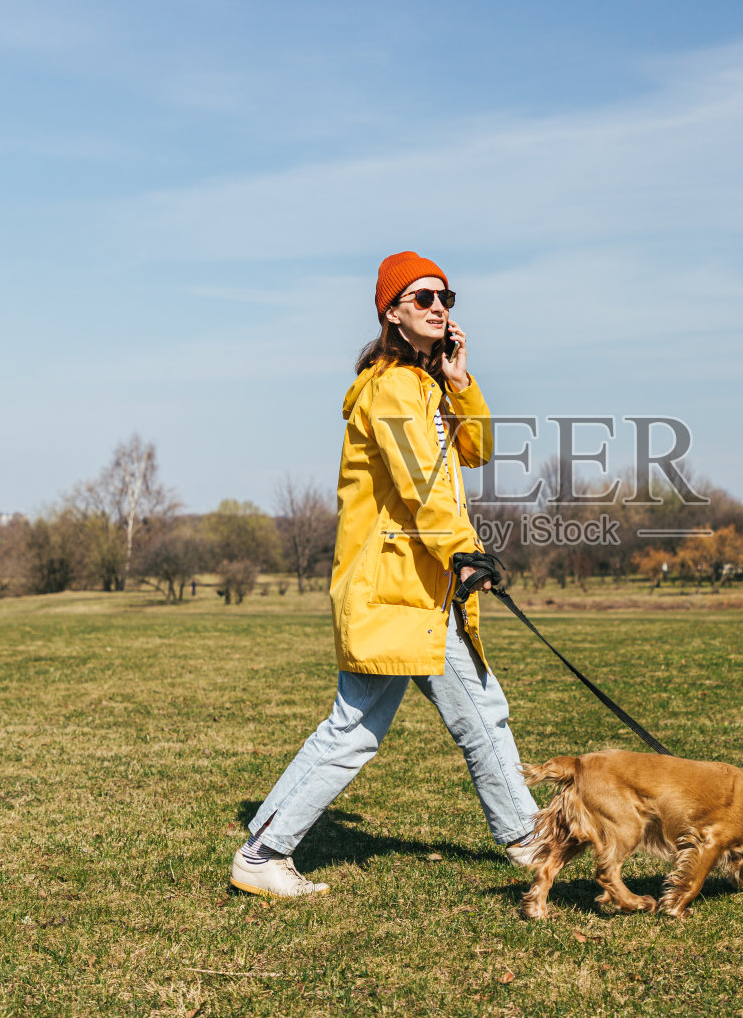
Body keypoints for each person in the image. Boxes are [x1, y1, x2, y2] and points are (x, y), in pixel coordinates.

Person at [231, 251, 541, 899]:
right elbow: (423, 487)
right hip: (397, 590)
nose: (438, 308)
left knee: (463, 714)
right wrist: (466, 551)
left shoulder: (424, 387)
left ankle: (528, 839)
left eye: (445, 298)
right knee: (384, 725)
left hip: (418, 589)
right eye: (422, 298)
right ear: (392, 313)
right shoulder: (394, 387)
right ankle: (262, 852)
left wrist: (460, 379)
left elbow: (476, 449)